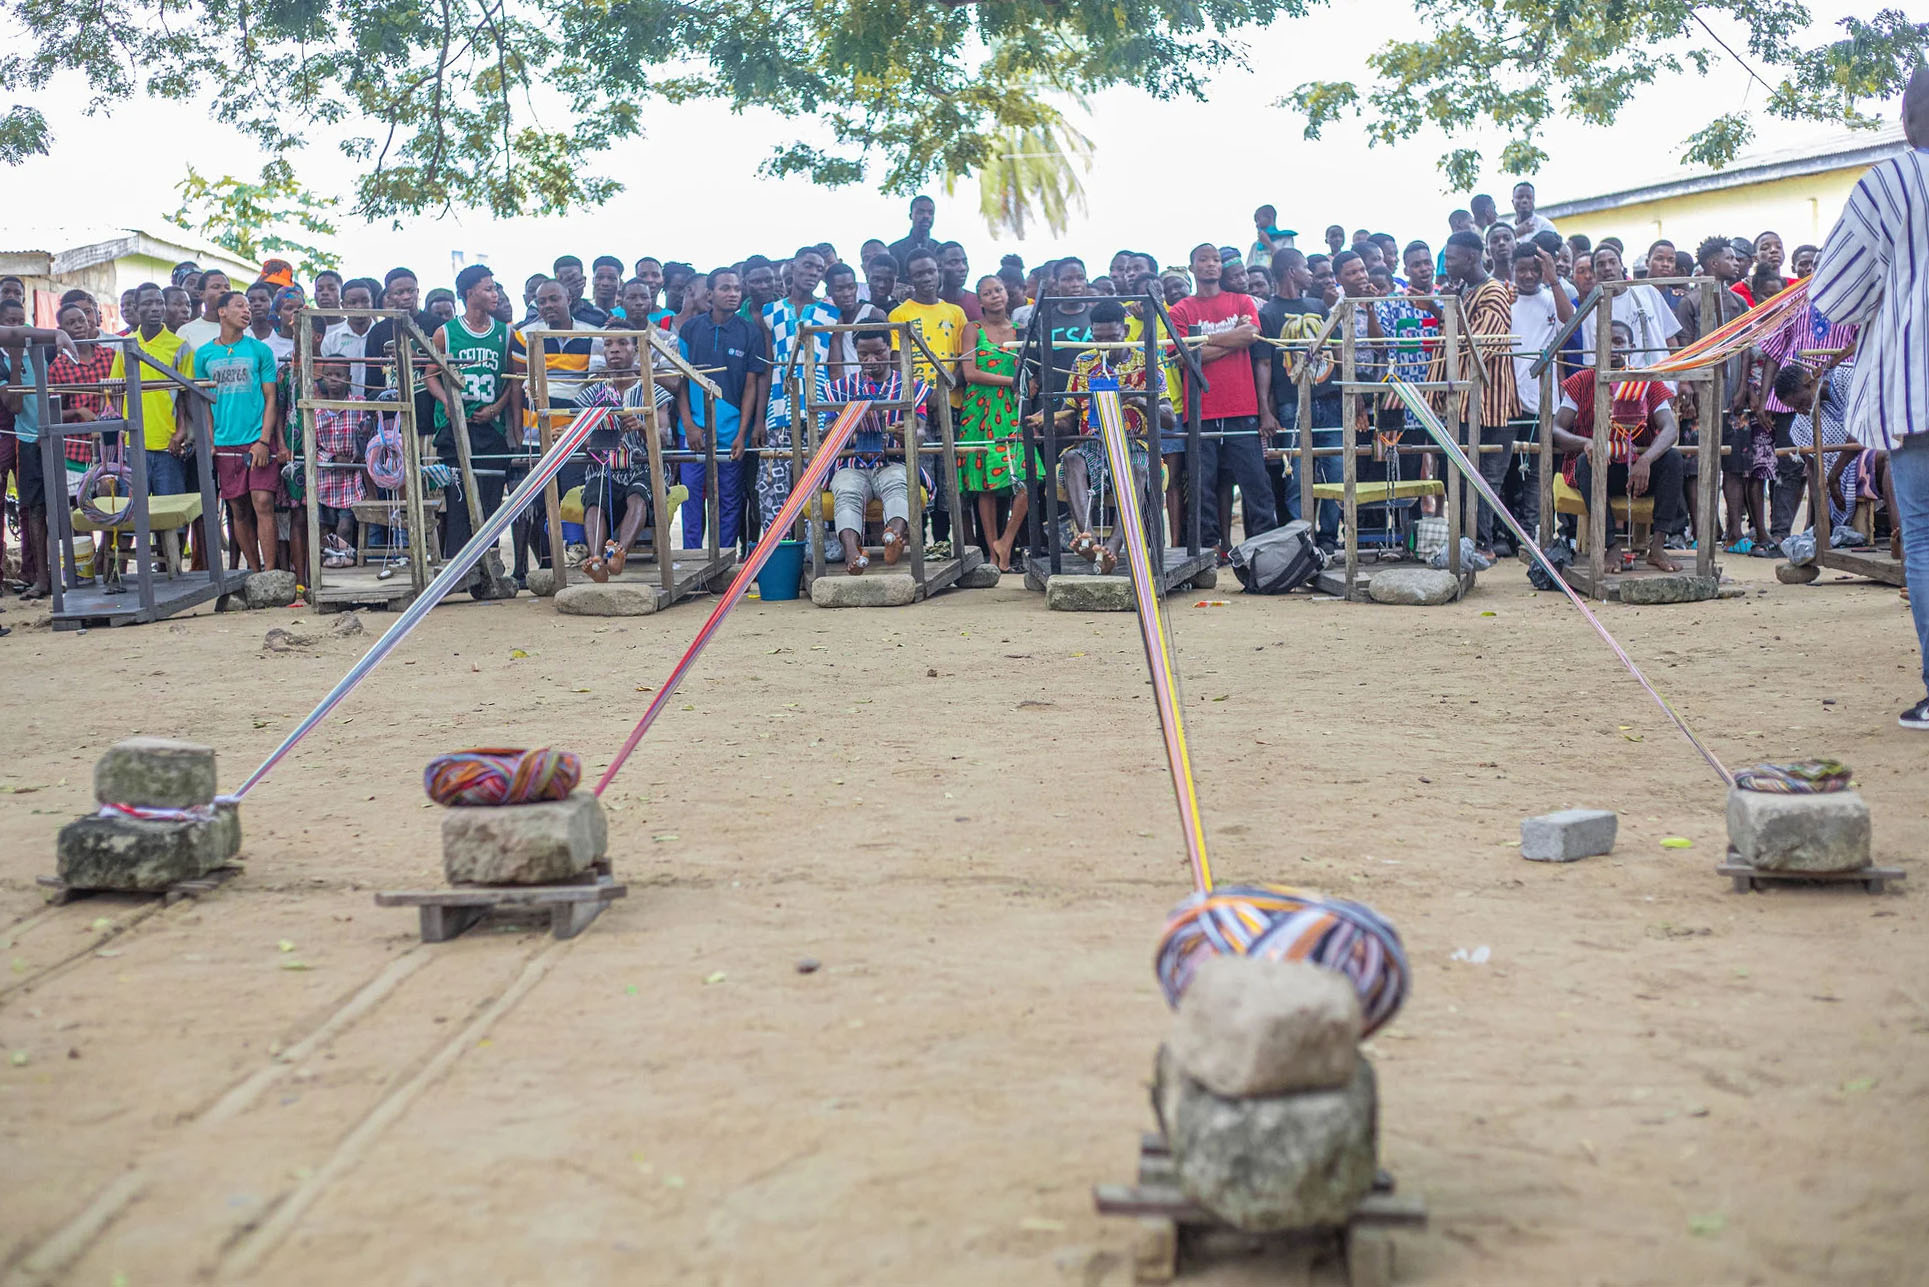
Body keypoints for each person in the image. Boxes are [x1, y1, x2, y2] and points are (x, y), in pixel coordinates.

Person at [1811, 63, 1929, 727]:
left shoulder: (1888, 182)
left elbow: (1837, 296)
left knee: (1924, 537)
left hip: (1918, 388)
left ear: (1910, 116)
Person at [1040, 299, 1168, 574]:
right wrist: (1049, 422)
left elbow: (1169, 417)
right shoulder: (1084, 361)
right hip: (1093, 445)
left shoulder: (1145, 360)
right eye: (1099, 339)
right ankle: (1086, 538)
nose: (1105, 345)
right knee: (1073, 459)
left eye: (1112, 338)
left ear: (1125, 329)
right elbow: (1068, 413)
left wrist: (1136, 398)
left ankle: (1113, 545)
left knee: (1136, 469)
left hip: (1134, 444)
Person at [1551, 320, 1685, 572]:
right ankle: (1611, 545)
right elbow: (1557, 429)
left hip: (1639, 472)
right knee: (1584, 462)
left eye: (1619, 342)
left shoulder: (1646, 382)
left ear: (1631, 347)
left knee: (1674, 460)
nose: (1612, 348)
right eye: (1606, 342)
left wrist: (1645, 460)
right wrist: (1587, 443)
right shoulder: (1581, 380)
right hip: (1599, 468)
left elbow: (1669, 429)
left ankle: (1657, 547)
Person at [1167, 241, 1274, 555]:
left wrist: (1205, 341)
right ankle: (1208, 548)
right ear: (1193, 267)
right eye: (1203, 260)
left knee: (1256, 481)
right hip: (1201, 408)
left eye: (1215, 259)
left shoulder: (1240, 300)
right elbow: (1184, 357)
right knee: (1202, 485)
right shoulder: (1181, 309)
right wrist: (1233, 340)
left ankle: (1263, 545)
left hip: (1243, 406)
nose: (1211, 264)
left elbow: (1251, 335)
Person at [182, 290, 281, 572]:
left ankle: (271, 571)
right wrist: (211, 439)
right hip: (225, 442)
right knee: (237, 508)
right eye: (239, 306)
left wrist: (264, 440)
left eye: (248, 306)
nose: (246, 311)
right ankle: (253, 570)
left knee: (263, 501)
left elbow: (271, 397)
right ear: (221, 311)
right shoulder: (204, 354)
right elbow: (201, 402)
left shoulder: (260, 350)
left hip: (256, 439)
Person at [425, 265, 518, 560]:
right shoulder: (446, 333)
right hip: (455, 427)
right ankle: (457, 562)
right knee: (459, 495)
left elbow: (513, 380)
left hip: (491, 428)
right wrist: (448, 403)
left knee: (490, 494)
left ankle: (488, 560)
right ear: (469, 294)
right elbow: (429, 376)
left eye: (495, 289)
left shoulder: (505, 333)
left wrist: (497, 408)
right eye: (488, 289)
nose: (495, 294)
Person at [1438, 229, 1522, 554]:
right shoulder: (1467, 291)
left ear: (1471, 257)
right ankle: (1466, 544)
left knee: (1485, 480)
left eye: (1451, 258)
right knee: (1457, 477)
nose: (1446, 265)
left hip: (1493, 405)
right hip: (1464, 404)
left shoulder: (1494, 292)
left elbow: (1480, 347)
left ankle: (1481, 545)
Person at [576, 321, 674, 582]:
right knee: (595, 497)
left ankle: (620, 554)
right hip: (606, 469)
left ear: (636, 350)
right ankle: (596, 559)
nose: (614, 350)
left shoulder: (653, 391)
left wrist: (643, 427)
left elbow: (665, 438)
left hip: (644, 467)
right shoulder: (592, 393)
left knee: (638, 495)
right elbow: (582, 437)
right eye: (608, 344)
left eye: (622, 343)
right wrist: (585, 441)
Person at [676, 268, 765, 553]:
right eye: (726, 288)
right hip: (693, 432)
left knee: (729, 499)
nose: (733, 294)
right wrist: (688, 425)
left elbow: (751, 384)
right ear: (710, 294)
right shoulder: (691, 329)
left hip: (732, 431)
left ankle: (725, 559)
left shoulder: (749, 330)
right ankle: (692, 558)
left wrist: (743, 433)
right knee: (690, 498)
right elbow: (680, 380)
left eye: (737, 289)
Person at [823, 329, 926, 572]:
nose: (871, 360)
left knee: (899, 483)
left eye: (878, 353)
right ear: (856, 353)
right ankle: (852, 552)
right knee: (846, 491)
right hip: (851, 465)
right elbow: (825, 433)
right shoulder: (841, 388)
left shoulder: (909, 387)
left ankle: (894, 535)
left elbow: (921, 432)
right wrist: (846, 424)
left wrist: (908, 432)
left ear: (890, 348)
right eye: (864, 354)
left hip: (892, 462)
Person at [888, 250, 968, 542]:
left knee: (948, 476)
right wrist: (924, 396)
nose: (927, 278)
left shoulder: (955, 313)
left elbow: (963, 359)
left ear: (939, 272)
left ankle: (945, 541)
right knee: (921, 472)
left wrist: (943, 392)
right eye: (919, 273)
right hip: (916, 408)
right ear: (910, 278)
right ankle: (918, 541)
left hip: (951, 405)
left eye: (931, 271)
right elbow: (898, 363)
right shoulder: (900, 314)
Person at [759, 246, 839, 538]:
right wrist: (759, 419)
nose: (813, 273)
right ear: (793, 267)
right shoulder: (770, 312)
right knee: (773, 482)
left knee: (816, 481)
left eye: (819, 269)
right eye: (807, 266)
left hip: (819, 406)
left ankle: (816, 547)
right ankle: (776, 547)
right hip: (779, 407)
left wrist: (838, 412)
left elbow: (836, 366)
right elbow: (767, 368)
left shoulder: (830, 313)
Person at [1, 321, 83, 600]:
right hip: (28, 442)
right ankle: (43, 580)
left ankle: (74, 576)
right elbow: (14, 406)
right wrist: (14, 363)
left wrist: (58, 334)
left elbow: (70, 392)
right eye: (8, 320)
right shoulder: (2, 363)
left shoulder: (46, 351)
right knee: (35, 509)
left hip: (60, 437)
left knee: (68, 506)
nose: (15, 327)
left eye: (19, 320)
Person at [958, 274, 1033, 571]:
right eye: (987, 293)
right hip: (979, 410)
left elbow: (1029, 370)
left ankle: (1006, 540)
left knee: (1028, 476)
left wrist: (1023, 385)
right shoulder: (973, 329)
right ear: (979, 301)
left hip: (1012, 410)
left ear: (1007, 293)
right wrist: (1011, 381)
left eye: (998, 290)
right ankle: (993, 554)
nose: (994, 296)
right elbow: (969, 373)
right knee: (985, 485)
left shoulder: (1020, 329)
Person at [108, 284, 192, 498]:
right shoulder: (126, 346)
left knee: (172, 519)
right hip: (132, 444)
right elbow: (114, 393)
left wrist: (181, 431)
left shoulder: (180, 346)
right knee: (132, 517)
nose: (155, 308)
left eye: (159, 302)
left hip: (168, 445)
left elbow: (185, 395)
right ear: (136, 308)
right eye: (147, 303)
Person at [304, 357, 371, 567]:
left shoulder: (359, 405)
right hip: (325, 478)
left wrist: (359, 453)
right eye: (329, 375)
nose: (333, 380)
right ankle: (327, 563)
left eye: (339, 375)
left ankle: (343, 560)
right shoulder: (315, 410)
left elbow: (368, 435)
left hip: (352, 479)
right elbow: (311, 447)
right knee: (324, 526)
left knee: (345, 524)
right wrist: (332, 458)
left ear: (349, 379)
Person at [1579, 244, 1681, 375]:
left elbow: (1670, 339)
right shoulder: (1592, 310)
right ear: (1594, 272)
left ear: (1621, 265)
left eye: (1612, 262)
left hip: (1663, 381)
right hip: (1624, 390)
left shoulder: (1648, 291)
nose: (1607, 268)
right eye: (1600, 264)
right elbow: (1592, 363)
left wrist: (1683, 380)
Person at [824, 261, 887, 378]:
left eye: (851, 287)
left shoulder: (872, 314)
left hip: (873, 387)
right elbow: (834, 366)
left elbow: (886, 358)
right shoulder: (829, 317)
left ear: (856, 287)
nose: (847, 293)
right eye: (839, 289)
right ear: (828, 291)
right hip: (845, 389)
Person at [321, 278, 380, 399]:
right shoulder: (331, 341)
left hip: (381, 407)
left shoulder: (383, 336)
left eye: (365, 301)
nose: (359, 307)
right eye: (353, 302)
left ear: (372, 302)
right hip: (344, 410)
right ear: (343, 305)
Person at [176, 270, 229, 349]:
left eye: (227, 287)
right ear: (201, 294)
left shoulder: (242, 329)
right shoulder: (186, 332)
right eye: (216, 287)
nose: (224, 291)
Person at [888, 195, 939, 274]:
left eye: (930, 213)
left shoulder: (940, 250)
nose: (926, 216)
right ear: (911, 216)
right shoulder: (894, 250)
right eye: (920, 212)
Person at [553, 255, 607, 325]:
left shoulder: (598, 316)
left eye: (575, 281)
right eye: (566, 281)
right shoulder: (543, 312)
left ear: (584, 281)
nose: (570, 286)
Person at [937, 243, 982, 322]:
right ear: (939, 266)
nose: (963, 268)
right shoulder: (929, 304)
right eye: (954, 262)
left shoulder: (979, 302)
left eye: (964, 262)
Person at [590, 255, 624, 319]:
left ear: (620, 283)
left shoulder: (627, 315)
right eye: (600, 277)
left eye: (611, 278)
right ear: (593, 281)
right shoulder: (583, 314)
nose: (605, 283)